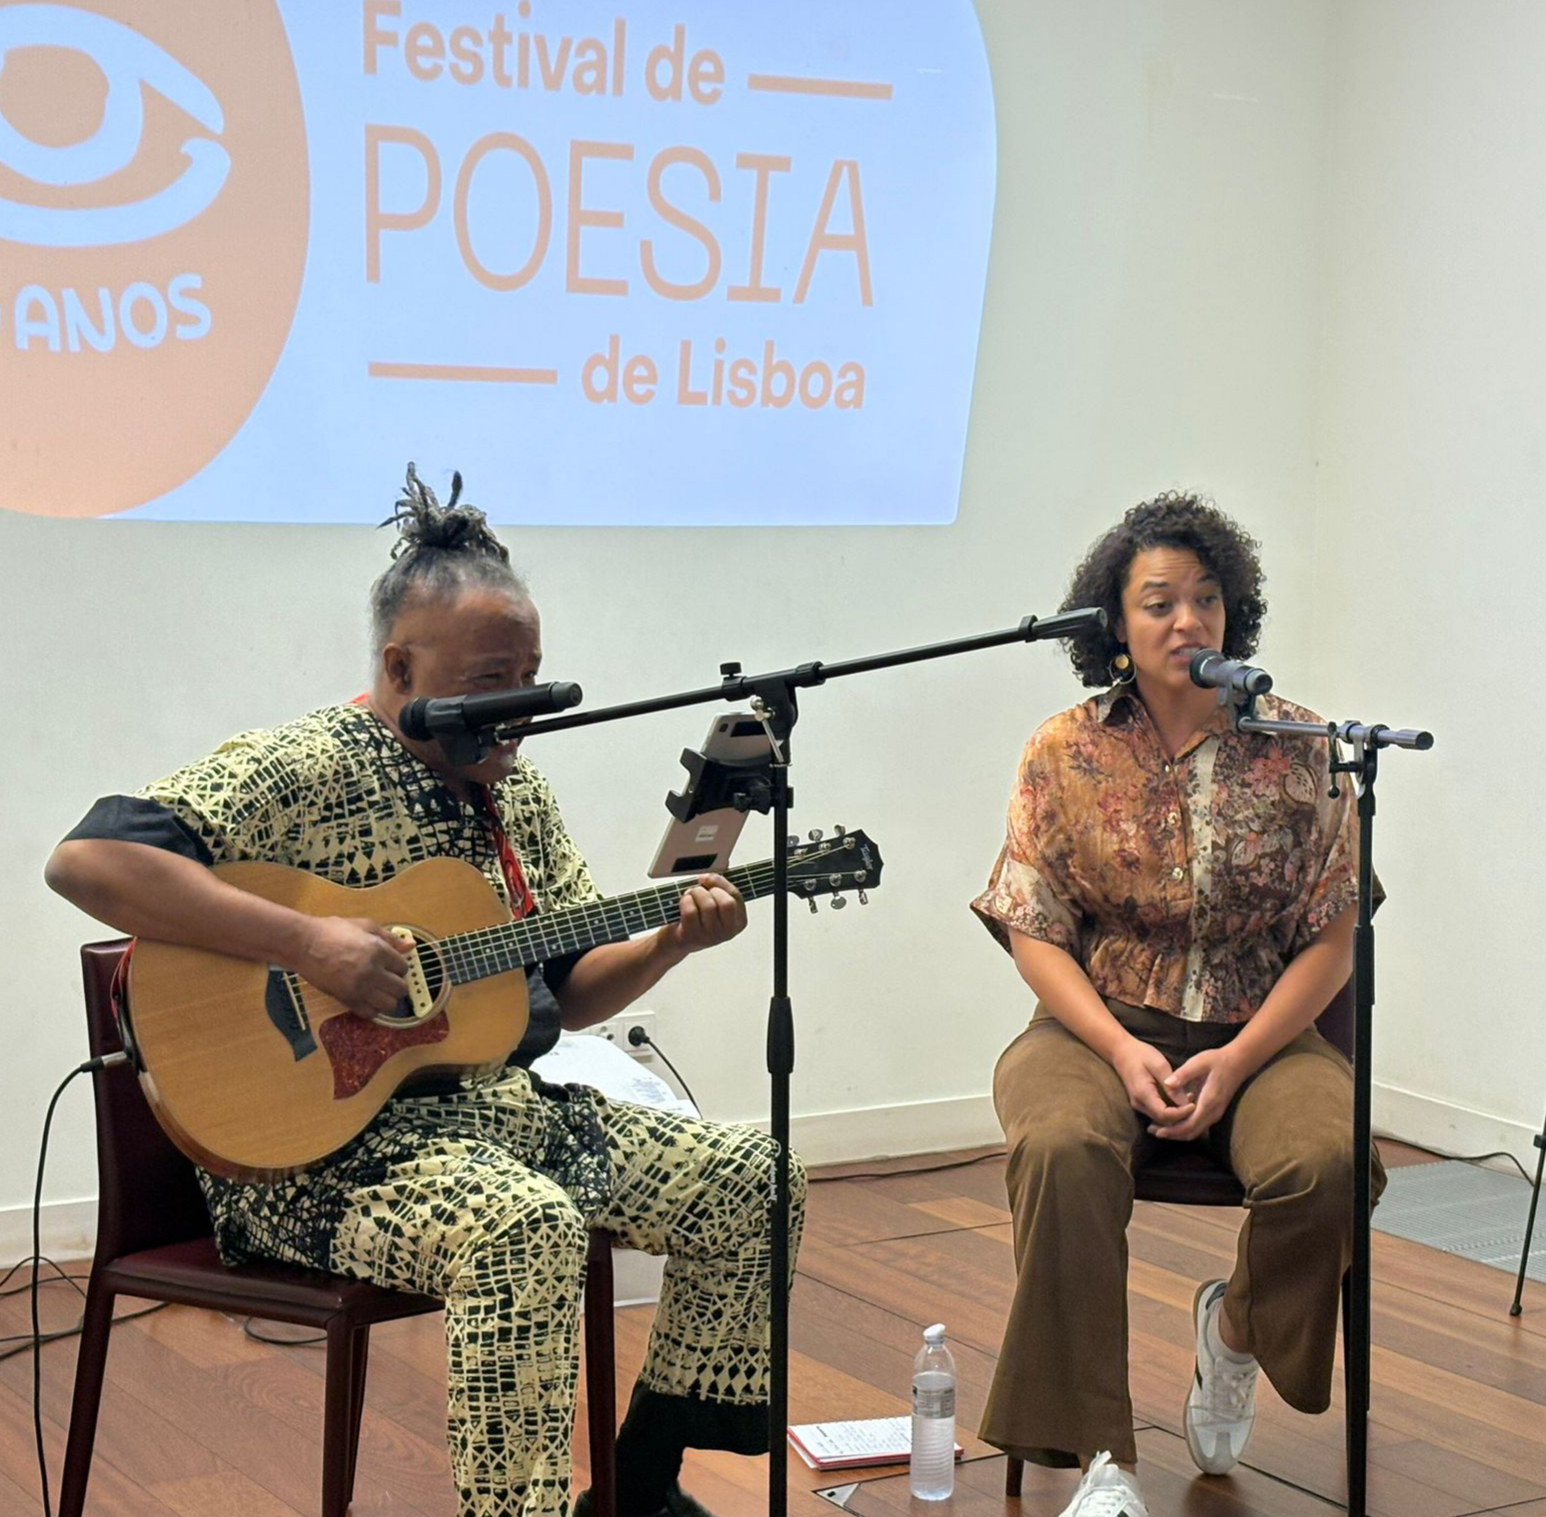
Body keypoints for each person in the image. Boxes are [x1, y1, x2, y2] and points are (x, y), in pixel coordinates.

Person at [45, 465, 805, 1517]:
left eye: (531, 675)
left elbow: (564, 994)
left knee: (754, 1178)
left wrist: (670, 943)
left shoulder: (516, 795)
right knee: (524, 1228)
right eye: (494, 678)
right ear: (401, 667)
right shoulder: (303, 767)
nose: (521, 707)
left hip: (496, 1120)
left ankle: (642, 1488)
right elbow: (87, 862)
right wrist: (310, 941)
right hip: (315, 1164)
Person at [970, 493, 1384, 1517]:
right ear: (1113, 621)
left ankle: (1233, 1330)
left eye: (1207, 598)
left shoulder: (1304, 744)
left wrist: (1238, 1060)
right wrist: (1118, 1049)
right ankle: (1101, 1462)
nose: (1187, 619)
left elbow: (1333, 933)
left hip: (1261, 1030)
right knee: (1062, 1149)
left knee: (1331, 1160)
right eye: (1159, 602)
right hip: (1093, 1024)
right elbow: (1032, 924)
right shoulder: (1063, 749)